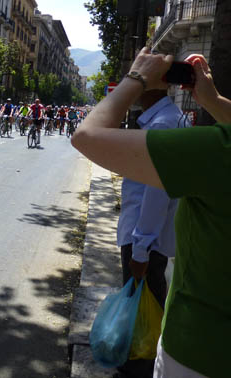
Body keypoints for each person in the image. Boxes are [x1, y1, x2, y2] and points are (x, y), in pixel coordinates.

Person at [72, 48, 231, 378]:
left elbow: (86, 137)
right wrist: (213, 100)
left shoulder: (191, 139)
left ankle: (135, 367)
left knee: (141, 316)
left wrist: (135, 77)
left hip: (195, 349)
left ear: (147, 85)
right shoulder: (174, 124)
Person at [115, 88, 187, 378]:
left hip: (144, 239)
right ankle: (138, 362)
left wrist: (141, 249)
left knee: (143, 310)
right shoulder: (170, 119)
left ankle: (139, 368)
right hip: (150, 237)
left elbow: (156, 194)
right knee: (146, 305)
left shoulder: (161, 126)